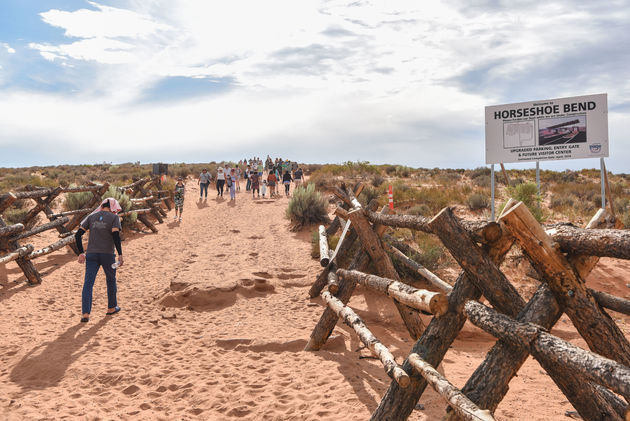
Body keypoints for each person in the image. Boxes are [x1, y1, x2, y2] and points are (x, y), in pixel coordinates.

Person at [74, 198, 123, 323]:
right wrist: (120, 254)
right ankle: (111, 308)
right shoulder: (114, 218)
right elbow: (116, 236)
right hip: (108, 255)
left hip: (91, 255)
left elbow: (77, 235)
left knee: (88, 284)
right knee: (111, 280)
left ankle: (85, 314)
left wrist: (81, 252)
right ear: (112, 206)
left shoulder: (91, 217)